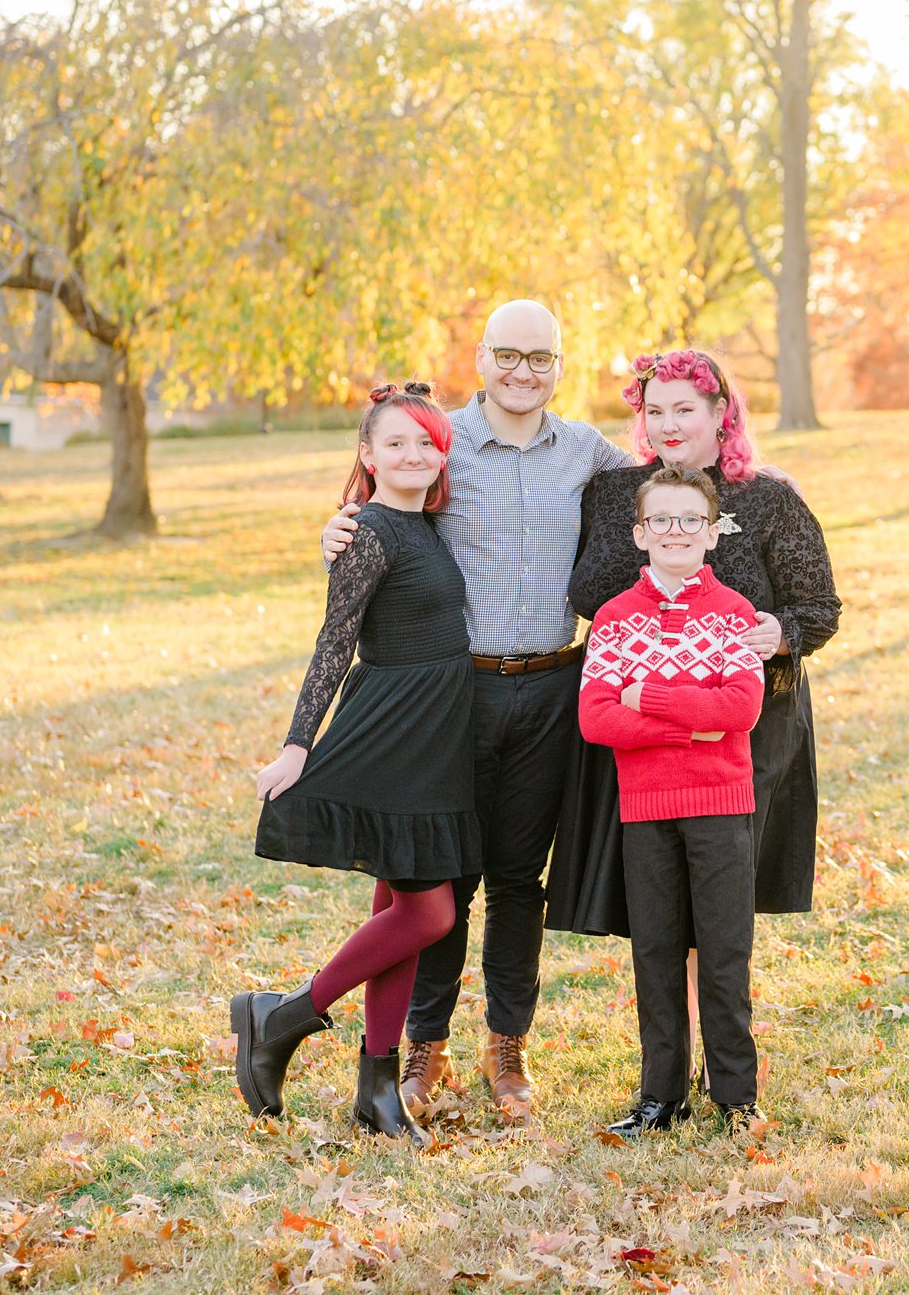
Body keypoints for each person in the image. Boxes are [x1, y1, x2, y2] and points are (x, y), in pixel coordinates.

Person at [316, 301, 634, 1124]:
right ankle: (425, 1042)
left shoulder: (587, 451)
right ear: (483, 357)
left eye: (541, 357)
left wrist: (756, 479)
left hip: (551, 689)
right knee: (443, 873)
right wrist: (337, 526)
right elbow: (381, 498)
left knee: (519, 879)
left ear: (560, 364)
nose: (523, 371)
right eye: (508, 354)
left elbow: (675, 476)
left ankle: (508, 1046)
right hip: (453, 693)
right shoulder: (442, 441)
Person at [550, 352, 840, 1101]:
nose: (669, 423)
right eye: (655, 410)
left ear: (721, 414)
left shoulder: (770, 500)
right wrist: (647, 518)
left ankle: (729, 1064)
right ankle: (669, 1072)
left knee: (724, 901)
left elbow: (820, 608)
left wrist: (776, 633)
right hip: (641, 724)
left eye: (687, 408)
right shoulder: (621, 493)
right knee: (660, 907)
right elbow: (587, 590)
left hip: (748, 725)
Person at [234, 383, 480, 1146]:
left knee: (397, 915)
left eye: (426, 441)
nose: (413, 454)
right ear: (368, 456)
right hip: (393, 739)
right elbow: (333, 642)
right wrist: (297, 743)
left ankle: (377, 1093)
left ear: (442, 453)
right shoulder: (368, 531)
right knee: (428, 914)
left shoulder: (426, 525)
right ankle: (280, 1016)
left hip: (435, 742)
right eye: (395, 442)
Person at [577, 466, 767, 1134]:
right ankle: (660, 1097)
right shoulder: (614, 619)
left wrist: (648, 696)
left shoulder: (735, 614)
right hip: (646, 808)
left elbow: (741, 707)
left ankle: (737, 1097)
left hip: (721, 803)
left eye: (691, 520)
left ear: (712, 534)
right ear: (640, 533)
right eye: (662, 519)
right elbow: (597, 718)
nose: (677, 531)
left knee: (723, 952)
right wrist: (696, 719)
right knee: (655, 952)